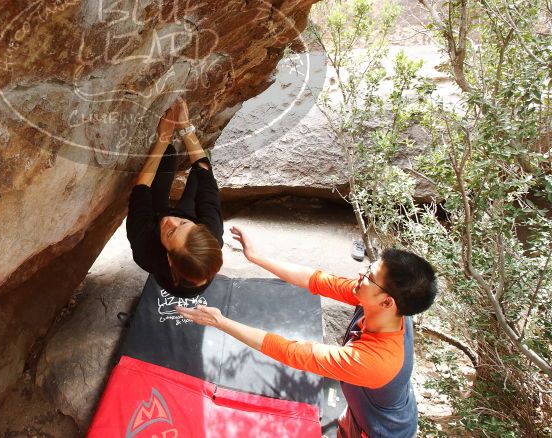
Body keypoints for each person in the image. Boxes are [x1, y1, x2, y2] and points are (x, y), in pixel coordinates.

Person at [177, 226, 437, 438]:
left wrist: (221, 322)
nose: (361, 272)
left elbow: (293, 352)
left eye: (370, 274)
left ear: (387, 302)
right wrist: (256, 257)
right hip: (365, 410)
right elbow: (316, 280)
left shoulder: (374, 362)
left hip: (381, 431)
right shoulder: (380, 303)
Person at [126, 99, 223, 297]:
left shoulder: (146, 248)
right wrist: (185, 127)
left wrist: (163, 138)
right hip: (186, 216)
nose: (170, 220)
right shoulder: (211, 233)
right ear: (200, 227)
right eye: (183, 224)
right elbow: (204, 171)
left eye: (171, 233)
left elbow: (141, 188)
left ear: (169, 259)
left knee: (166, 154)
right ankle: (180, 228)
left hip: (153, 222)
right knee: (200, 173)